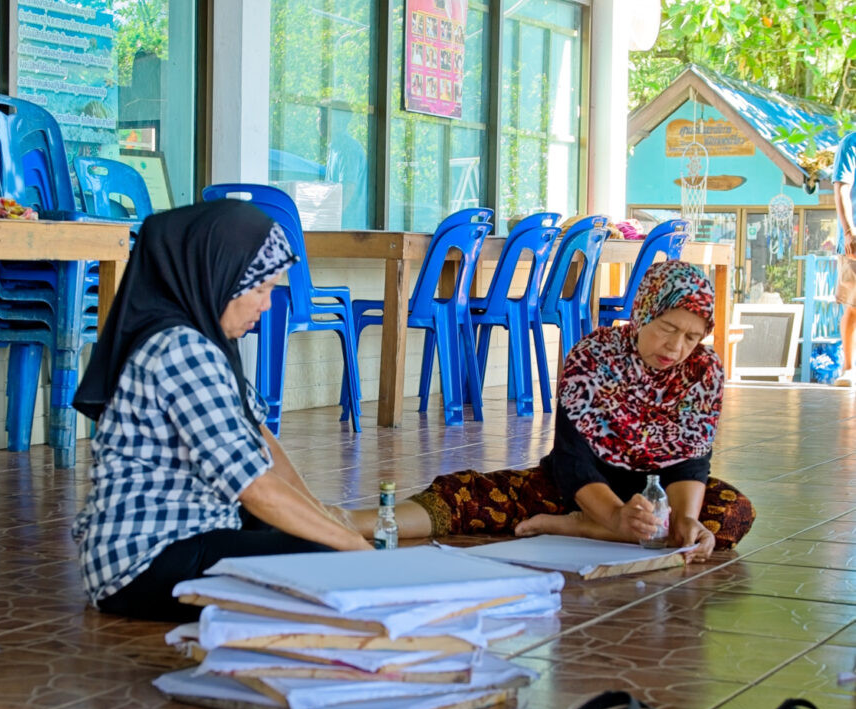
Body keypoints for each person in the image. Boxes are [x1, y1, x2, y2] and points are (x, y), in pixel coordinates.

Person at [72, 200, 371, 621]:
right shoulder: (181, 348)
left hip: (195, 535)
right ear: (221, 277)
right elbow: (253, 486)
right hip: (144, 563)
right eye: (261, 289)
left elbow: (266, 452)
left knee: (313, 537)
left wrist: (334, 524)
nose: (266, 306)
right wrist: (355, 548)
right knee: (323, 557)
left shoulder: (207, 342)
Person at [348, 261, 754, 562]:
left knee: (730, 513)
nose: (677, 347)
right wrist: (613, 516)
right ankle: (345, 520)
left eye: (692, 337)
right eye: (667, 328)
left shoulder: (703, 370)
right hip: (575, 490)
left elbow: (691, 461)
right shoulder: (595, 357)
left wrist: (684, 519)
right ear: (645, 310)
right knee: (471, 497)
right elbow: (571, 461)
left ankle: (584, 530)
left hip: (653, 504)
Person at [831, 129, 856, 386]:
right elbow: (842, 188)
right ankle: (849, 369)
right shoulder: (851, 143)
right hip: (855, 239)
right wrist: (848, 231)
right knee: (854, 304)